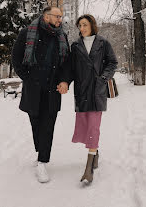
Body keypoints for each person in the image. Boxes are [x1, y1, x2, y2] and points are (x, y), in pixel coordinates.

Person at [11, 6, 69, 183]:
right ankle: (40, 151)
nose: (60, 19)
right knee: (35, 122)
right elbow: (16, 58)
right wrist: (27, 78)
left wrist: (65, 80)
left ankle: (43, 161)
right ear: (46, 16)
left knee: (48, 125)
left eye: (61, 16)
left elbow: (67, 63)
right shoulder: (27, 32)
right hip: (33, 88)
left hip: (53, 89)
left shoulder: (62, 36)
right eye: (57, 16)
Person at [59, 14, 117, 183]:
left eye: (84, 25)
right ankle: (96, 152)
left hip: (97, 90)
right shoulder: (76, 46)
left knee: (94, 126)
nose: (82, 28)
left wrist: (103, 78)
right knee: (86, 126)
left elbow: (112, 63)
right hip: (82, 90)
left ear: (92, 25)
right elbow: (70, 68)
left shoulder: (103, 43)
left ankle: (88, 168)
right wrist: (65, 82)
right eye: (80, 26)